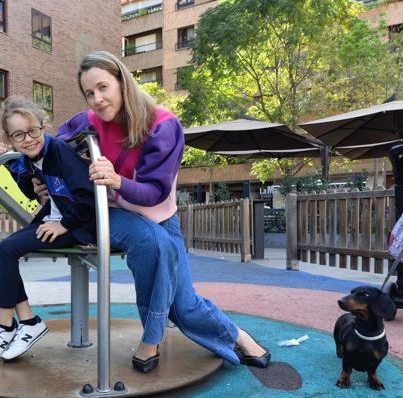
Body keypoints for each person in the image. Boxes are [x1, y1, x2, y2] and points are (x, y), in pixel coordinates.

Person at [56, 51, 270, 372]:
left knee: (184, 306)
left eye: (103, 87)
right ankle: (151, 338)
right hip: (115, 214)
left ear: (122, 82)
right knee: (153, 244)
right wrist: (24, 156)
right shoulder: (87, 121)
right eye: (89, 93)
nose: (97, 99)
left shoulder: (163, 126)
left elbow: (154, 193)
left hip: (157, 212)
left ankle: (236, 335)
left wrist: (116, 179)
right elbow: (51, 148)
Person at [0, 96, 96, 366]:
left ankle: (5, 324)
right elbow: (29, 192)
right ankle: (27, 320)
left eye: (32, 131)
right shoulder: (30, 158)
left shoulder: (59, 151)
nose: (28, 139)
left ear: (43, 127)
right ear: (11, 139)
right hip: (57, 217)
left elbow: (88, 198)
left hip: (78, 225)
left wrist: (63, 224)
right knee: (0, 251)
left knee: (5, 250)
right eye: (19, 135)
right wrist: (10, 164)